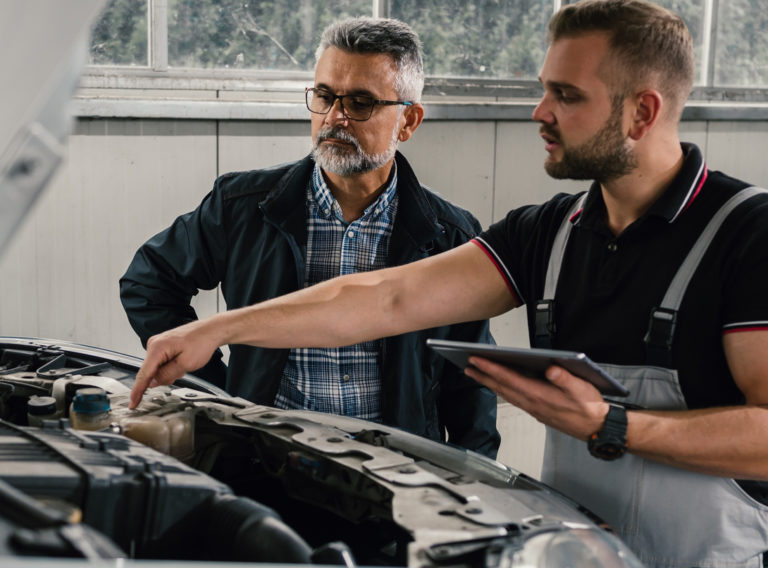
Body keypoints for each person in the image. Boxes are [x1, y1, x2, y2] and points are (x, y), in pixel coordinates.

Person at [128, 1, 768, 566]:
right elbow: (385, 296)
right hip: (581, 547)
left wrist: (613, 425)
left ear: (642, 112)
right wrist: (216, 329)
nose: (540, 112)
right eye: (546, 89)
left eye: (567, 96)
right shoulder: (549, 231)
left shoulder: (748, 235)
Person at [119, 17, 501, 458]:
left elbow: (471, 383)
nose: (335, 117)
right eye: (324, 96)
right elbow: (148, 283)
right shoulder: (242, 206)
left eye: (360, 102)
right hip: (266, 457)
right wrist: (219, 391)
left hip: (396, 470)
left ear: (408, 121)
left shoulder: (451, 236)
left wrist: (472, 484)